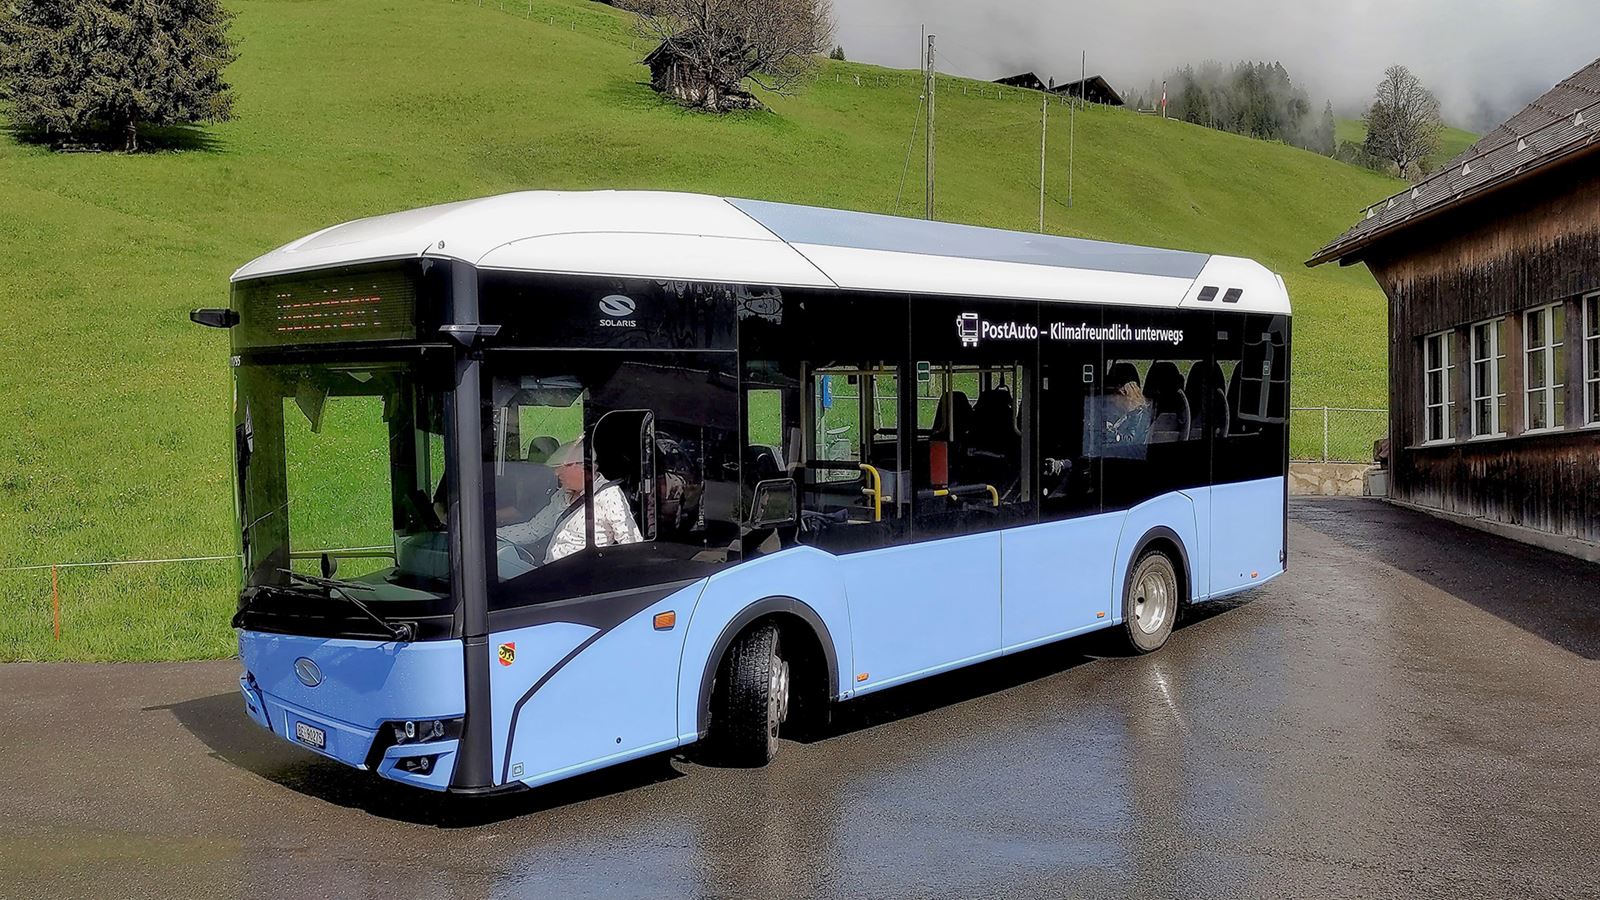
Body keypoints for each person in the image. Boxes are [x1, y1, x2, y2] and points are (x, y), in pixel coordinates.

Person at [498, 438, 642, 569]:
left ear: (583, 467)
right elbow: (533, 529)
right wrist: (495, 538)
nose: (556, 473)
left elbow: (631, 544)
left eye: (562, 466)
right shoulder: (562, 494)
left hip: (581, 579)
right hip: (550, 572)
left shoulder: (609, 495)